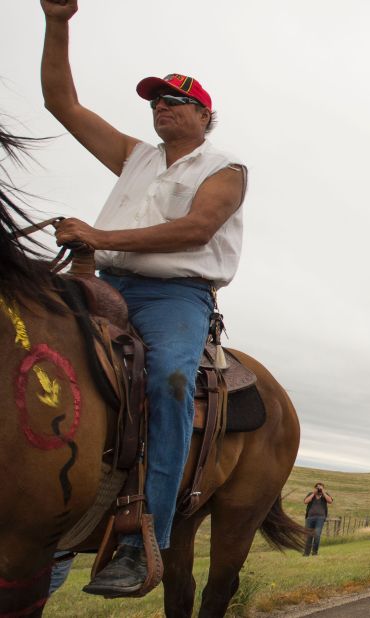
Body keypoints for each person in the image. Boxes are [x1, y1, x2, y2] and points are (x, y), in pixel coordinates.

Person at [40, 0, 248, 597]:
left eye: (174, 100)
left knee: (169, 382)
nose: (160, 107)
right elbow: (63, 103)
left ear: (204, 115)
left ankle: (140, 536)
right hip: (102, 281)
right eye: (155, 100)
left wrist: (99, 236)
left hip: (174, 296)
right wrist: (58, 23)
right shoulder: (135, 157)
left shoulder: (225, 168)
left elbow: (196, 231)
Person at [303, 483, 333, 556]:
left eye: (321, 488)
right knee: (308, 536)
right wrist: (313, 493)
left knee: (317, 535)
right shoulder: (311, 494)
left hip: (320, 518)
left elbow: (330, 501)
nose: (319, 489)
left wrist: (323, 493)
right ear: (315, 488)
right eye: (318, 488)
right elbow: (305, 501)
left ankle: (314, 553)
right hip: (310, 518)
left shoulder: (325, 495)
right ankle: (306, 553)